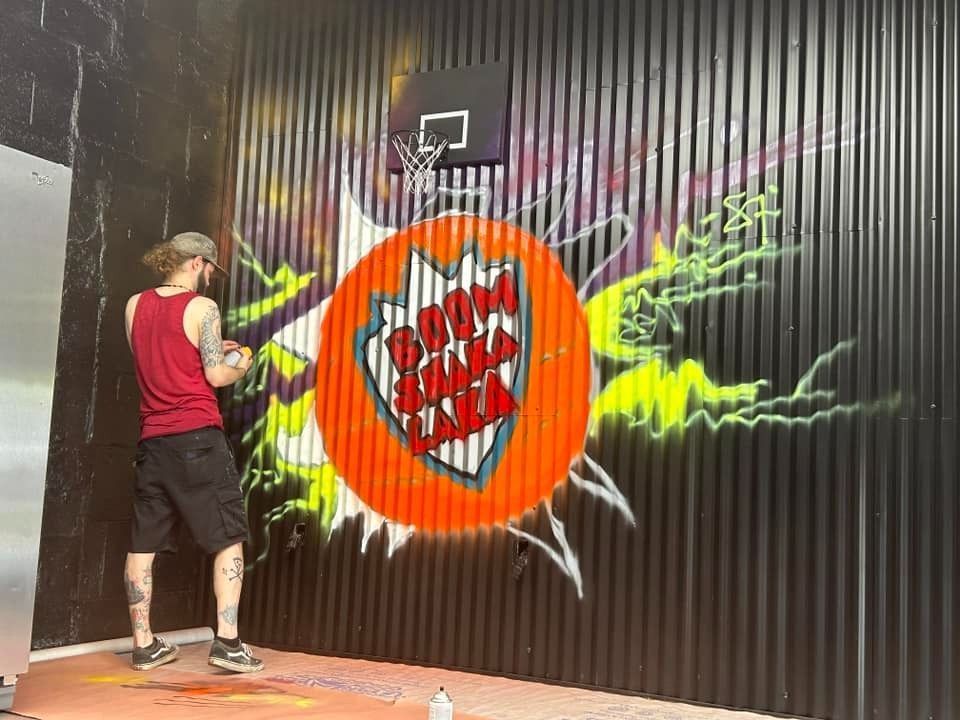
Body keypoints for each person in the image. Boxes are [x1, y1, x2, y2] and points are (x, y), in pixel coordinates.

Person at [122, 231, 263, 673]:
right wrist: (244, 358)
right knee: (227, 535)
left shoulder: (134, 305)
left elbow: (159, 358)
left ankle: (144, 645)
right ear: (198, 263)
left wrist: (208, 348)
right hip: (197, 437)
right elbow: (217, 376)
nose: (209, 279)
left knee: (143, 542)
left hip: (152, 442)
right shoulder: (204, 308)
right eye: (209, 270)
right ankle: (227, 643)